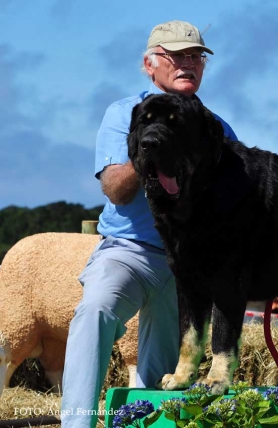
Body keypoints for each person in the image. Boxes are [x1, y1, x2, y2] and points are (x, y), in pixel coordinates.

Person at [60, 20, 237, 428]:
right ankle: (75, 424)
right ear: (149, 64)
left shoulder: (218, 129)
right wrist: (155, 141)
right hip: (129, 252)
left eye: (195, 57)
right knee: (95, 311)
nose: (187, 64)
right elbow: (115, 190)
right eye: (175, 56)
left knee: (162, 377)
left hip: (188, 270)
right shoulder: (126, 113)